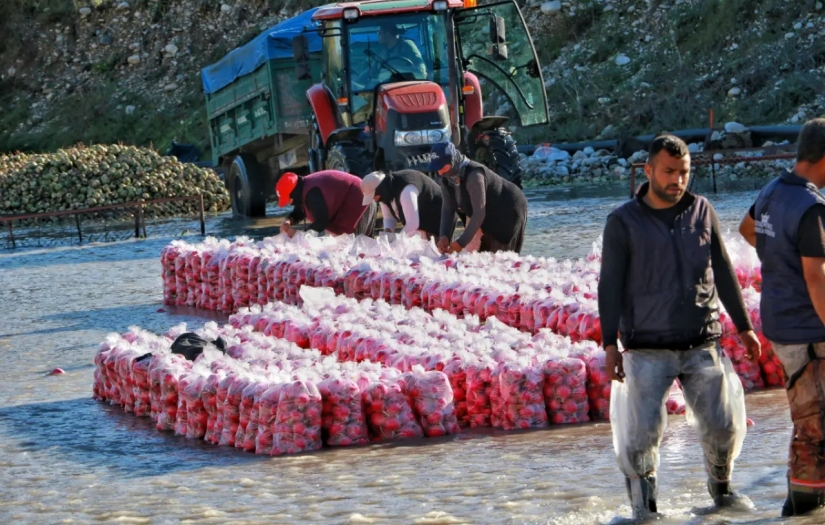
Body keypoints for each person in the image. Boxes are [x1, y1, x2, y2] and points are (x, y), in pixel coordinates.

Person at [597, 134, 761, 518]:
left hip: (702, 340)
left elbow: (722, 268)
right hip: (646, 346)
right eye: (669, 172)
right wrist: (609, 345)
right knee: (641, 438)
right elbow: (610, 285)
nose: (677, 180)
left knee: (723, 427)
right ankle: (645, 511)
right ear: (649, 170)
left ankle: (722, 494)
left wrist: (744, 326)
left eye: (684, 172)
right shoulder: (623, 222)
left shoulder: (702, 210)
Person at [737, 118, 825, 517]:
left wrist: (777, 260)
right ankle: (801, 511)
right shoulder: (811, 208)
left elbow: (747, 228)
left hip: (780, 325)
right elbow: (816, 277)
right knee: (814, 425)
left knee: (807, 418)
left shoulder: (773, 191)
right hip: (809, 331)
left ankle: (805, 503)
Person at [428, 142, 527, 254]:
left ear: (453, 160)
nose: (440, 172)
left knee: (499, 257)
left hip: (507, 208)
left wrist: (461, 243)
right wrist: (444, 236)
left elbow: (479, 213)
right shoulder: (447, 179)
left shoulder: (474, 176)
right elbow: (447, 209)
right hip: (486, 210)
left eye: (443, 167)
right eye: (437, 168)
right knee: (480, 258)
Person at [275, 170, 377, 238]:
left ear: (294, 192)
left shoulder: (312, 193)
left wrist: (300, 237)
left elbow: (321, 221)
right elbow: (299, 211)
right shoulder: (305, 187)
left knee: (359, 249)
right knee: (361, 248)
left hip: (359, 203)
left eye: (289, 199)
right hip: (364, 197)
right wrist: (289, 220)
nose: (289, 202)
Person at [359, 169, 451, 240]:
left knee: (434, 256)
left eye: (375, 196)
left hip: (439, 217)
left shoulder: (406, 190)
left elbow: (413, 224)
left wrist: (397, 242)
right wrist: (388, 234)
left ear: (380, 189)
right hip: (420, 224)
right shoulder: (386, 193)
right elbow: (389, 218)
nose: (375, 199)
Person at [355, 23, 427, 89]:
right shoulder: (384, 53)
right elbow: (370, 71)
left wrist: (395, 72)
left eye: (379, 33)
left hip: (405, 86)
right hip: (384, 88)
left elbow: (421, 70)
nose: (378, 36)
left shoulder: (406, 45)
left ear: (388, 33)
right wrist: (355, 81)